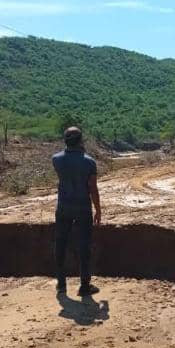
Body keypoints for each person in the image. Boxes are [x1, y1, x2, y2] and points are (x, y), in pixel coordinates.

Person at [52, 127, 102, 296]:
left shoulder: (56, 159)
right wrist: (98, 210)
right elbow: (92, 189)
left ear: (65, 140)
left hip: (63, 207)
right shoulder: (89, 162)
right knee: (84, 246)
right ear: (81, 140)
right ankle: (84, 285)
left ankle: (61, 284)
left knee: (61, 244)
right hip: (82, 207)